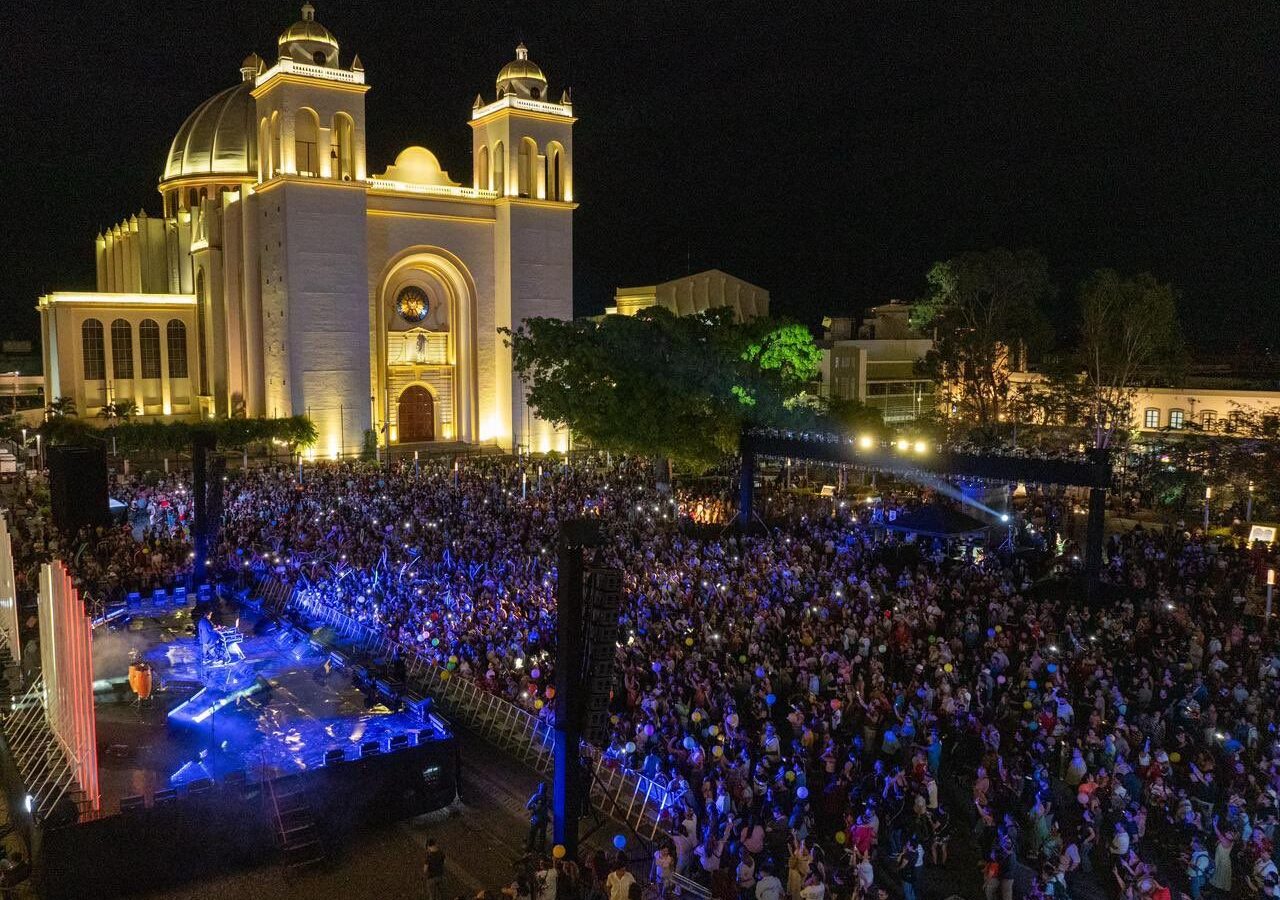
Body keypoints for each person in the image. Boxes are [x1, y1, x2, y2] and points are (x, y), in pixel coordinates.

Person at [526, 783, 550, 855]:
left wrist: (534, 806)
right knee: (542, 836)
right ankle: (541, 850)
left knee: (532, 834)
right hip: (544, 820)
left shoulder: (536, 796)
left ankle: (529, 849)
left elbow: (528, 806)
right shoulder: (547, 798)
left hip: (535, 819)